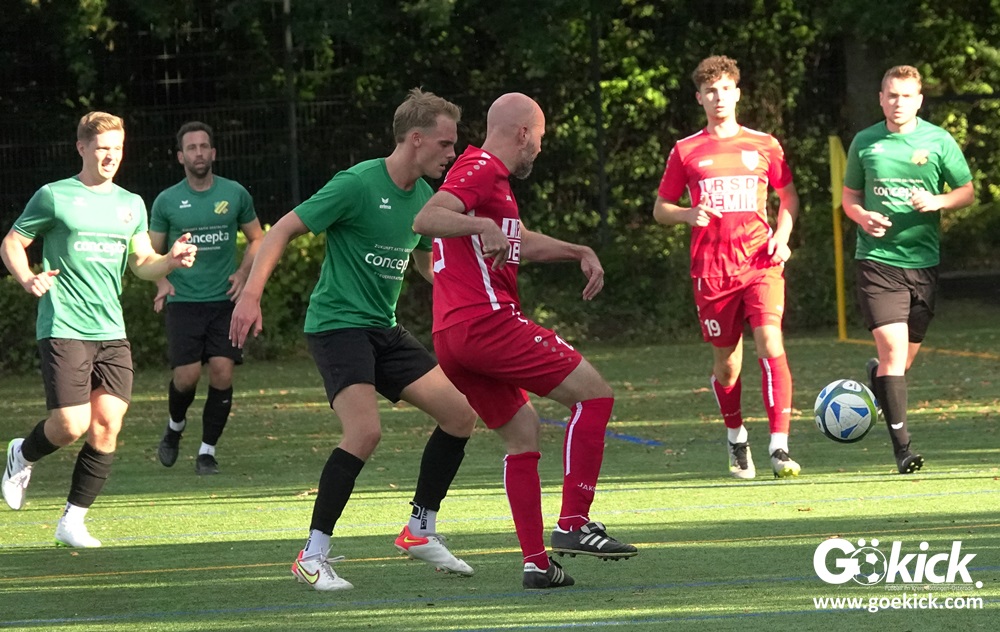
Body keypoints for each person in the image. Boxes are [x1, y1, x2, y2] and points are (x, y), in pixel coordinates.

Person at [229, 88, 477, 591]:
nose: (452, 154)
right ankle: (312, 555)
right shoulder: (358, 184)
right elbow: (280, 231)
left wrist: (474, 296)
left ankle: (419, 528)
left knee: (460, 415)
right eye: (445, 143)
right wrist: (250, 295)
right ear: (415, 139)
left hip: (383, 329)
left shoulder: (423, 199)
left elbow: (425, 263)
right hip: (337, 326)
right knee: (364, 433)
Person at [412, 92, 638, 591]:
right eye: (539, 137)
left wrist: (577, 250)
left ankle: (537, 563)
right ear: (523, 133)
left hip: (453, 337)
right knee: (595, 396)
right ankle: (574, 522)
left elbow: (519, 240)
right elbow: (426, 218)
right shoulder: (480, 168)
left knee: (522, 433)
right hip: (486, 323)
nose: (539, 147)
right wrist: (481, 224)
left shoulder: (489, 180)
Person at [1, 112, 197, 547]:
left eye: (118, 149)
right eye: (103, 148)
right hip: (64, 323)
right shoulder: (54, 196)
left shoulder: (131, 203)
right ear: (82, 148)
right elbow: (13, 242)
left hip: (111, 330)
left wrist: (171, 261)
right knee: (71, 425)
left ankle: (72, 521)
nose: (111, 156)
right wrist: (27, 278)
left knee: (107, 424)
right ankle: (22, 453)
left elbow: (142, 262)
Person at [652, 55, 801, 480]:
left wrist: (782, 236)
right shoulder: (686, 150)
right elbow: (661, 209)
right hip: (712, 272)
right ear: (699, 98)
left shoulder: (764, 144)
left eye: (725, 89)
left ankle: (779, 447)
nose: (719, 97)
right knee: (728, 365)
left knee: (770, 341)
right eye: (710, 91)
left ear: (737, 93)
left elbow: (788, 196)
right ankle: (736, 436)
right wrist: (687, 214)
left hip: (760, 263)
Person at [842, 65, 974, 474]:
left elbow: (967, 191)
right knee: (894, 353)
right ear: (881, 99)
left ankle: (878, 380)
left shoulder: (938, 140)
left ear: (919, 100)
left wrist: (938, 201)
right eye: (892, 95)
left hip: (923, 265)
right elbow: (849, 198)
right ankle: (904, 449)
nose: (898, 103)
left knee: (899, 363)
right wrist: (863, 217)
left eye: (906, 96)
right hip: (877, 263)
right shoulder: (865, 142)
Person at [150, 121, 264, 475]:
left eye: (204, 146)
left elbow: (258, 239)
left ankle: (206, 452)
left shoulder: (234, 194)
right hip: (183, 301)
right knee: (186, 377)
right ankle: (175, 427)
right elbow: (151, 254)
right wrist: (161, 282)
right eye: (191, 147)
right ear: (180, 156)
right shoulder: (167, 201)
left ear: (213, 153)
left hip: (224, 301)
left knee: (222, 371)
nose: (198, 153)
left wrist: (243, 275)